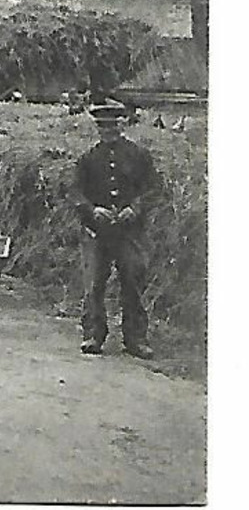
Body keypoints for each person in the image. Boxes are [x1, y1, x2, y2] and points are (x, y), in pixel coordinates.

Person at [74, 102, 157, 359]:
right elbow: (75, 193)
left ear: (123, 124)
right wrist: (92, 210)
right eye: (102, 126)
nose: (108, 130)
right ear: (97, 128)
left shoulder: (139, 156)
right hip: (97, 231)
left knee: (132, 281)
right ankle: (93, 335)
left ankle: (135, 338)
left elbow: (152, 189)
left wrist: (135, 208)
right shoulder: (88, 159)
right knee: (94, 284)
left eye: (113, 125)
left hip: (129, 231)